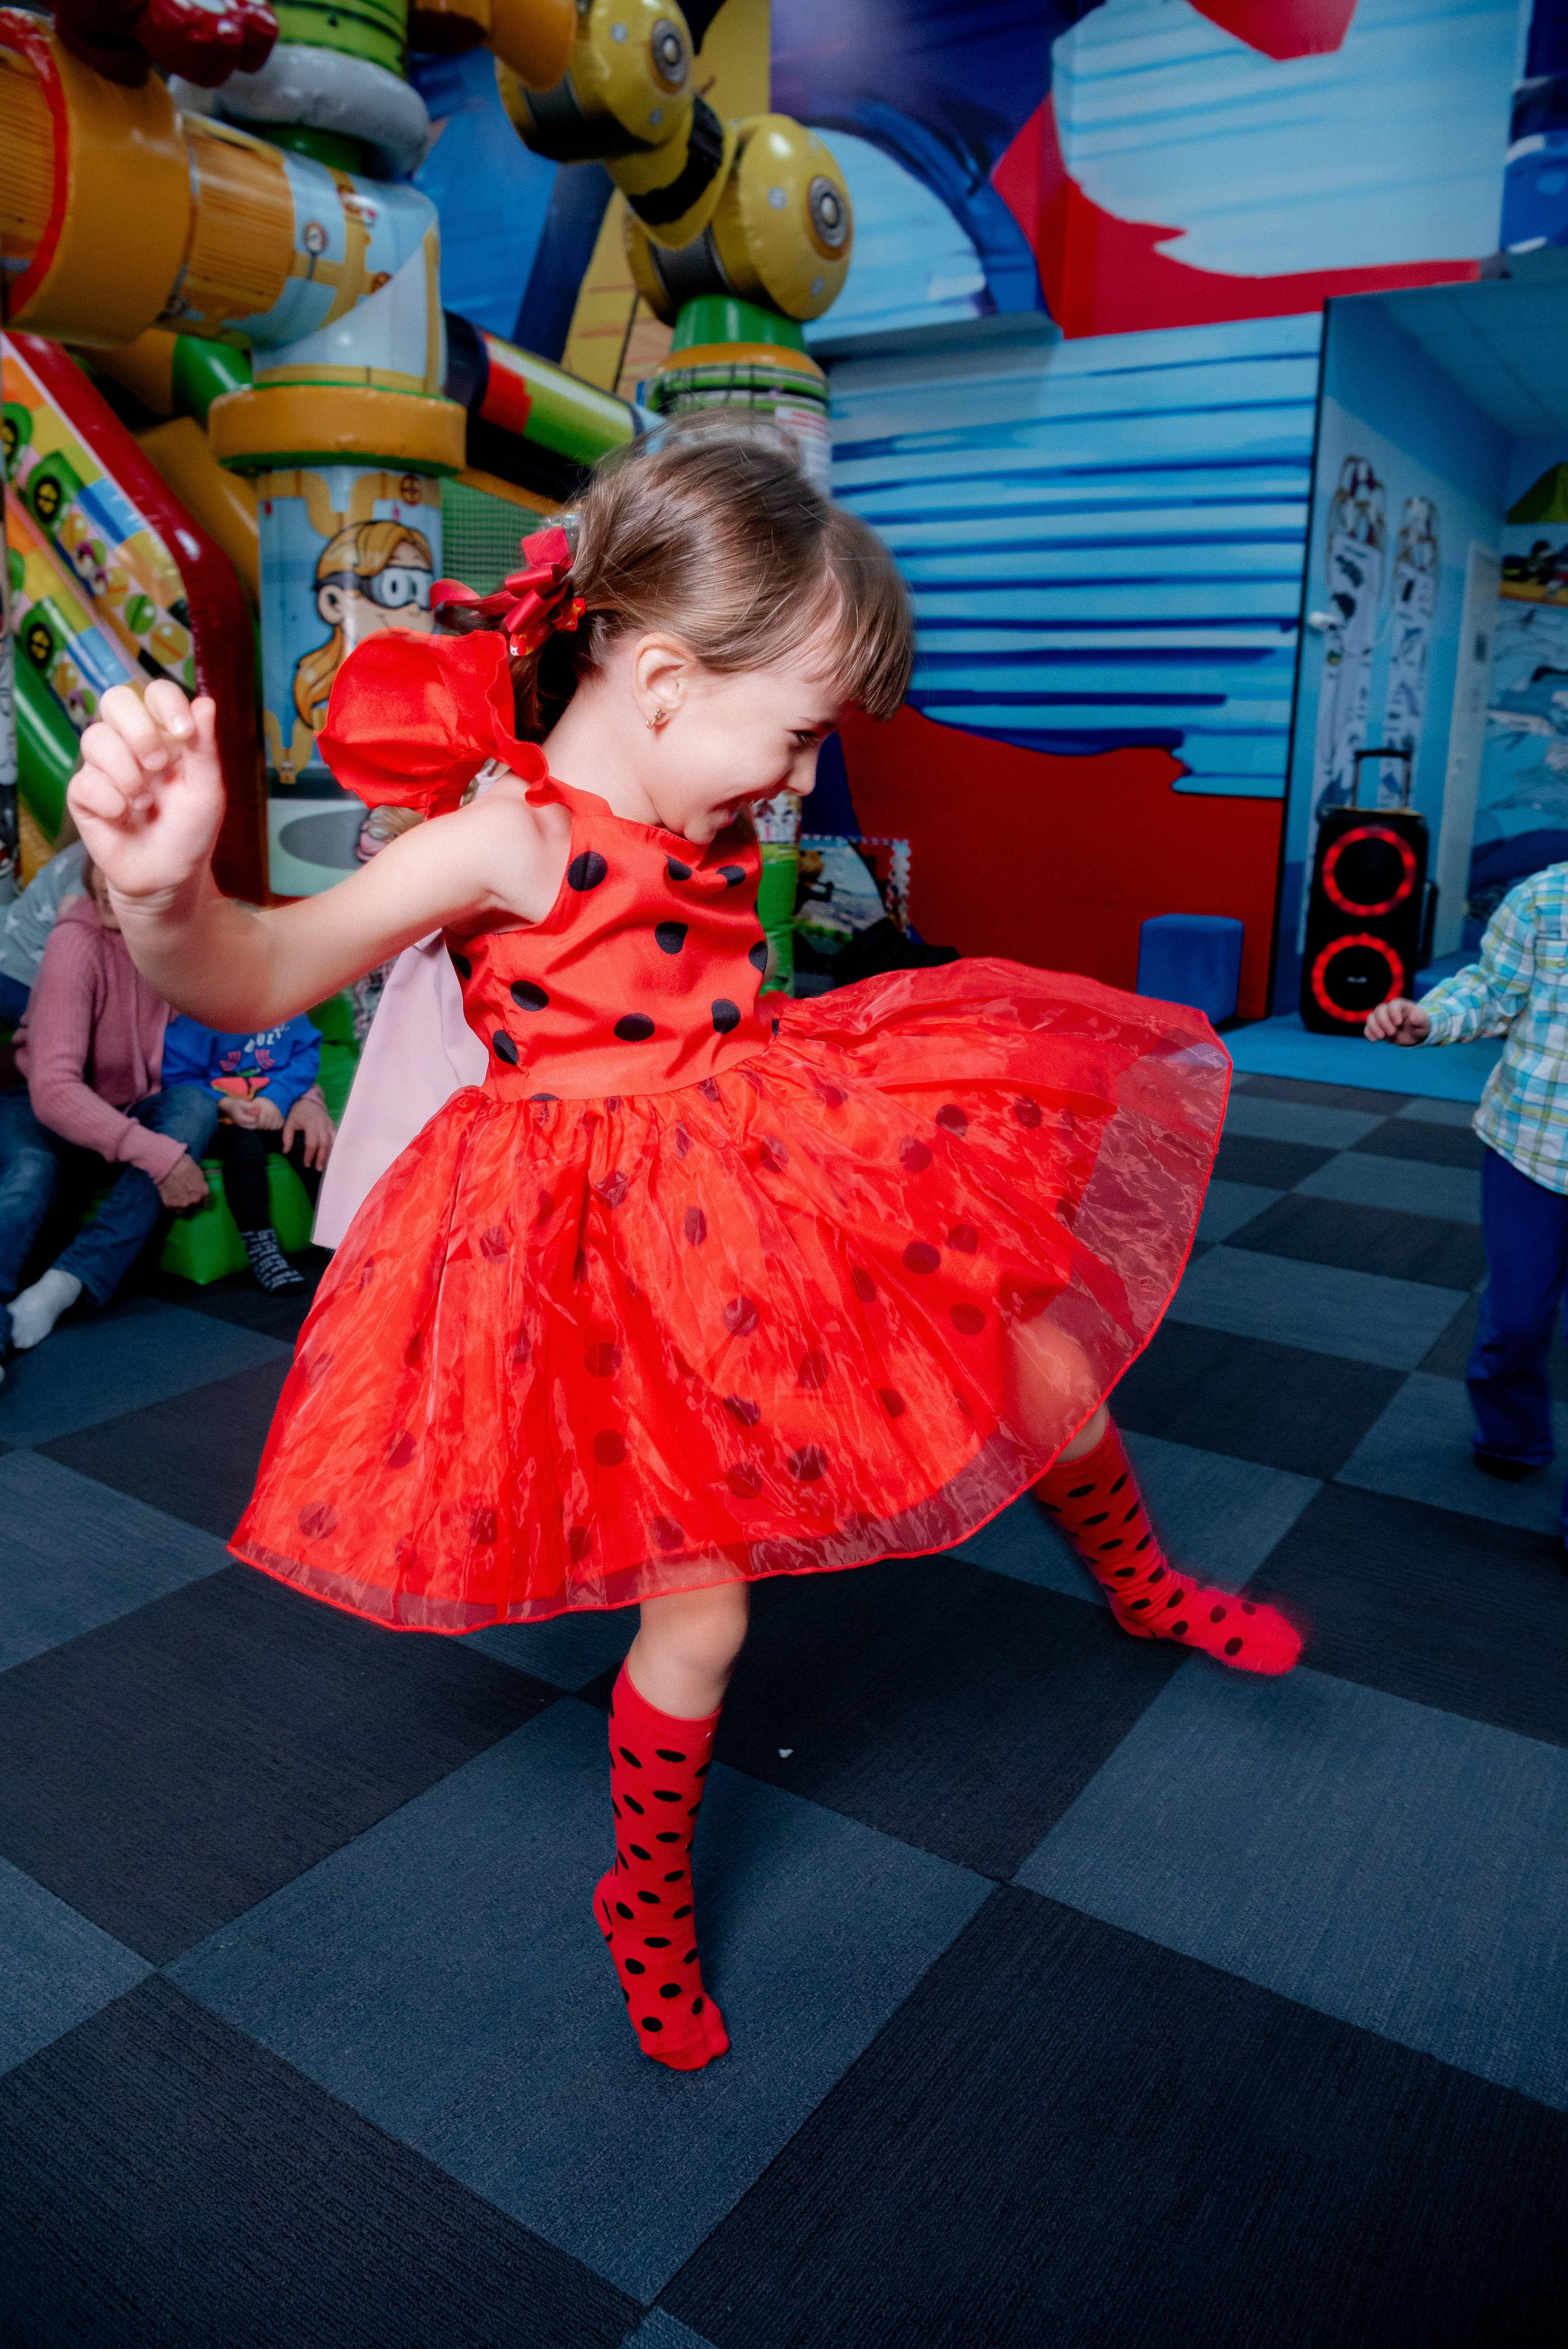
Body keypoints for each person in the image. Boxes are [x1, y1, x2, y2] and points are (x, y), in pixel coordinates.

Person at [70, 420, 1302, 2075]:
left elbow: (711, 957)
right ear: (659, 683)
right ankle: (640, 1896)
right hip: (608, 1242)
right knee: (703, 1620)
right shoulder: (509, 834)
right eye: (795, 738)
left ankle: (1146, 1589)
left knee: (1037, 1357)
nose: (798, 782)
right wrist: (162, 904)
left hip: (775, 1153)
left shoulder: (703, 808)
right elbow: (261, 968)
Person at [1368, 863, 1568, 1529]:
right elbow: (1491, 991)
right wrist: (1429, 1017)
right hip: (1530, 1149)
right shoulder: (1542, 897)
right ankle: (1510, 1434)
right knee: (1515, 1323)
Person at [0, 859, 217, 1372]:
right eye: (99, 867)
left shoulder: (181, 944)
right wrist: (158, 1156)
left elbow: (257, 1030)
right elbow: (53, 1089)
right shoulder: (76, 941)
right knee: (32, 1171)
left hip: (124, 1110)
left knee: (195, 1107)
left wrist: (304, 1098)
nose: (102, 882)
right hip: (42, 1113)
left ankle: (63, 1285)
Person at [160, 1011, 337, 1291]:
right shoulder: (194, 1022)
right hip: (226, 1120)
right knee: (245, 1150)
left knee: (310, 1145)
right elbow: (178, 1078)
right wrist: (223, 1104)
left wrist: (277, 1100)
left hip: (277, 1111)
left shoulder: (285, 1009)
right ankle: (261, 1247)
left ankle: (336, 1237)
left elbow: (305, 1055)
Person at [0, 834, 88, 1027]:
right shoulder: (99, 860)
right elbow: (69, 917)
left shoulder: (85, 847)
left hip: (9, 959)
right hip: (23, 979)